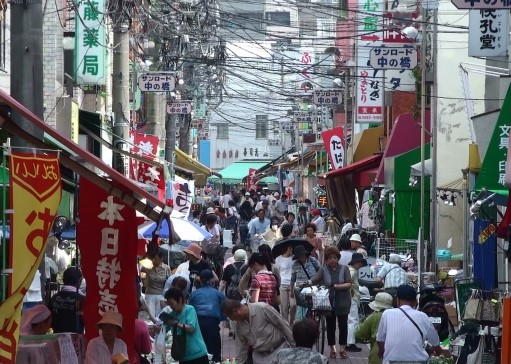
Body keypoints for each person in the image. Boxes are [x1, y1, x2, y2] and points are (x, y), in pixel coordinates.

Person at [377, 285, 442, 364]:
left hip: (391, 361)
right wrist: (438, 350)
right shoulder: (423, 316)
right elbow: (435, 341)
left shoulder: (387, 314)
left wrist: (382, 353)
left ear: (397, 300)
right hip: (418, 361)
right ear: (415, 301)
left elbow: (380, 340)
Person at [309, 246, 351, 360]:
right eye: (330, 258)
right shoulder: (323, 269)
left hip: (343, 301)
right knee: (331, 325)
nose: (333, 260)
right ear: (326, 260)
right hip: (328, 301)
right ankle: (332, 348)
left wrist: (337, 286)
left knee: (343, 325)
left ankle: (342, 348)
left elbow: (348, 284)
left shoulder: (344, 269)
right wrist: (308, 282)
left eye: (335, 258)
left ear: (338, 258)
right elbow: (315, 278)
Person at [222, 299, 295, 364]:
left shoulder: (262, 308)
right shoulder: (239, 325)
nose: (231, 320)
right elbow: (241, 347)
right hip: (259, 358)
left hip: (279, 351)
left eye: (230, 317)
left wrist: (295, 347)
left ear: (235, 311)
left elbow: (283, 325)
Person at [162, 288, 210, 364]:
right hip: (182, 356)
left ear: (180, 300)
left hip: (197, 354)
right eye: (169, 304)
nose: (170, 306)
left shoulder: (190, 310)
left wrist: (176, 324)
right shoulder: (171, 315)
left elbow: (191, 328)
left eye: (172, 303)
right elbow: (163, 329)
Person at [188, 270, 226, 363]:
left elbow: (190, 310)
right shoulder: (218, 294)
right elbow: (224, 311)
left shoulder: (194, 294)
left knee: (200, 353)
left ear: (200, 280)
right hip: (212, 324)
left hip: (198, 325)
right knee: (215, 355)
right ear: (212, 280)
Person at [355, 292, 394, 364]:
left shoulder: (373, 316)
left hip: (377, 356)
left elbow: (359, 334)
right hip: (394, 356)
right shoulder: (396, 316)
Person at [48, 266, 85, 333]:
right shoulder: (82, 299)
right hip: (76, 340)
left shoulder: (54, 298)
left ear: (64, 279)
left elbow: (49, 321)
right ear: (79, 281)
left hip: (58, 339)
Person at [290, 245, 320, 320]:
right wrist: (291, 290)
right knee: (301, 306)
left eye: (302, 255)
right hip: (301, 288)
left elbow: (320, 271)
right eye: (299, 256)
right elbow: (293, 278)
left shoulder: (312, 260)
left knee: (315, 306)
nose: (301, 257)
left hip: (313, 286)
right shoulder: (295, 264)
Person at [346, 253, 367, 352]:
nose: (360, 265)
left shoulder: (350, 269)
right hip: (352, 298)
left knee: (351, 320)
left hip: (351, 298)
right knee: (353, 320)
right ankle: (350, 343)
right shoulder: (352, 271)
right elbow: (348, 282)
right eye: (359, 262)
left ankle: (349, 341)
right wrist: (350, 292)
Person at [140, 249, 170, 318]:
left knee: (159, 316)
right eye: (152, 258)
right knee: (150, 316)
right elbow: (141, 272)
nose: (153, 260)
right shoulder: (147, 267)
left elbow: (169, 281)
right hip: (150, 294)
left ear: (161, 258)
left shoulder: (166, 268)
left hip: (161, 295)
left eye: (155, 258)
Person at [275, 243, 296, 324]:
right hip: (282, 284)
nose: (291, 250)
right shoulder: (278, 259)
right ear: (285, 249)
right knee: (284, 307)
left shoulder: (294, 258)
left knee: (293, 305)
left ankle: (291, 321)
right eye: (290, 248)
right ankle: (285, 324)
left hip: (292, 284)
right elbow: (277, 272)